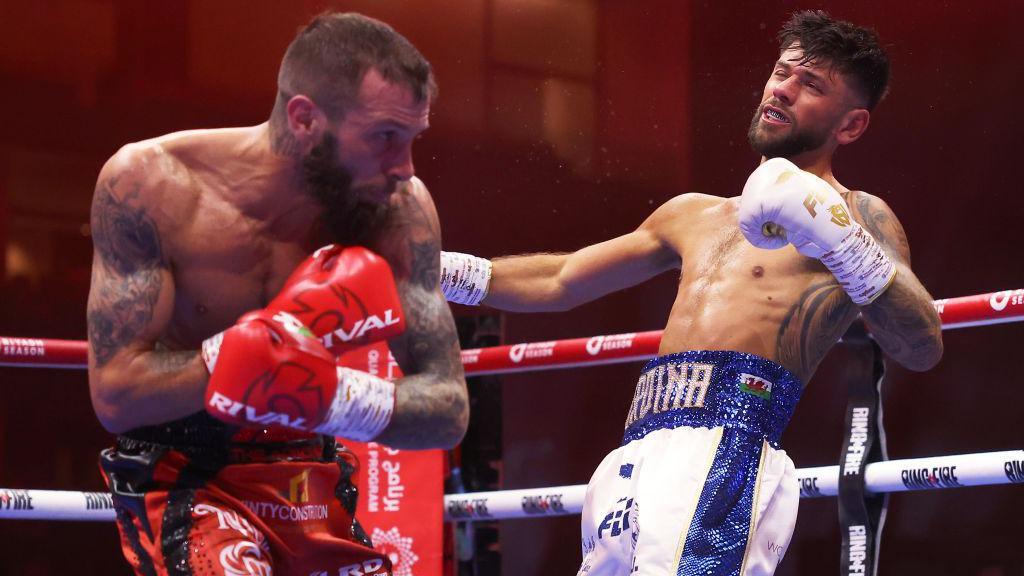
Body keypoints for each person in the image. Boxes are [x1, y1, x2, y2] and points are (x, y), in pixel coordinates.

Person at [440, 10, 942, 576]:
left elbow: (920, 346)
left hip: (729, 452)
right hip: (636, 452)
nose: (784, 89)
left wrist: (843, 243)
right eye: (783, 72)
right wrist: (436, 271)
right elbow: (561, 280)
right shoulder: (691, 214)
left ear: (849, 126)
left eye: (812, 85)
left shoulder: (857, 216)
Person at [86, 12, 468, 576]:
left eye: (412, 139)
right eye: (385, 137)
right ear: (304, 118)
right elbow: (116, 393)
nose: (404, 168)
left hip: (311, 471)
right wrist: (238, 359)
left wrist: (328, 395)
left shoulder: (395, 212)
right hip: (187, 473)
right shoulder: (151, 186)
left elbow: (448, 406)